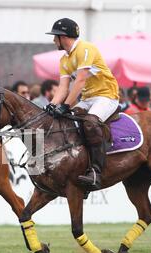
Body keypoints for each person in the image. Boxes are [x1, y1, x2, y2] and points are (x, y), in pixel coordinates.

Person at [45, 18, 119, 190]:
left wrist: (66, 105)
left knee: (90, 124)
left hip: (106, 96)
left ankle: (96, 172)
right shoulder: (64, 60)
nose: (53, 40)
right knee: (66, 121)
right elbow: (63, 88)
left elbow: (79, 82)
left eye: (55, 37)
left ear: (64, 37)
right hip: (88, 99)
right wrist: (51, 105)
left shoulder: (85, 49)